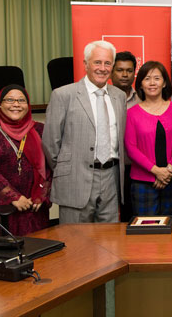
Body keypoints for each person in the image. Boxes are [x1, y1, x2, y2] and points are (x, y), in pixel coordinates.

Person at [42, 40, 127, 223]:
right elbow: (50, 142)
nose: (102, 68)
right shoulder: (63, 95)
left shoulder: (119, 96)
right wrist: (68, 169)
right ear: (85, 64)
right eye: (97, 62)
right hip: (75, 179)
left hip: (111, 178)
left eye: (107, 63)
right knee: (75, 243)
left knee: (110, 244)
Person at [0, 85, 51, 235]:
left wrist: (41, 194)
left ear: (28, 106)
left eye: (21, 100)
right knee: (8, 252)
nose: (16, 104)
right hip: (4, 210)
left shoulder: (40, 130)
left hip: (35, 207)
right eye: (9, 100)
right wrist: (13, 197)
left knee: (41, 249)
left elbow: (49, 167)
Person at [124, 61, 172, 218]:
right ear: (140, 84)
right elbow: (130, 147)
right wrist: (156, 171)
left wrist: (167, 171)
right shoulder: (131, 113)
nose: (152, 83)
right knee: (146, 232)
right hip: (143, 182)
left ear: (164, 82)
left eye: (157, 78)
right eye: (147, 78)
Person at [111, 50, 138, 221]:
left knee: (131, 215)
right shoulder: (102, 98)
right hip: (109, 167)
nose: (125, 75)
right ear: (112, 72)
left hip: (134, 168)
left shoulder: (142, 99)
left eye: (129, 70)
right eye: (120, 70)